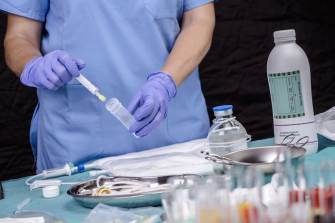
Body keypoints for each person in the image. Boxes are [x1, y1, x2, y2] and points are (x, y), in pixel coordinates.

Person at [2, 1, 217, 173]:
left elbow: (200, 20)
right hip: (78, 146)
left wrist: (166, 81)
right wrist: (34, 66)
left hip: (176, 142)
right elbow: (19, 36)